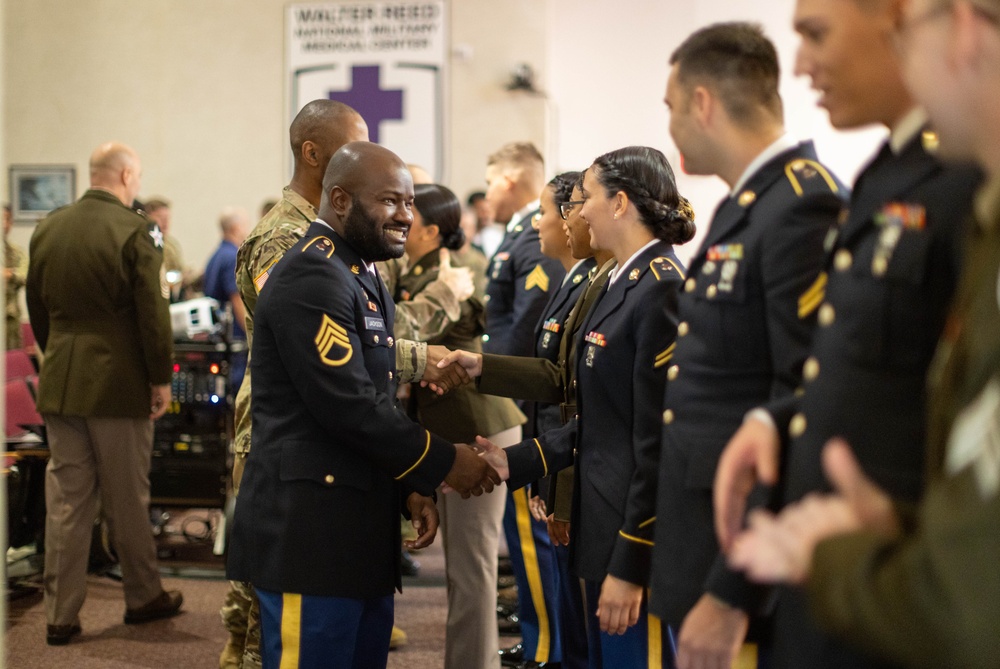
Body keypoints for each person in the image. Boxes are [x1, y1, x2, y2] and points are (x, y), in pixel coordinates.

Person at [723, 2, 1000, 668]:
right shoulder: (892, 171)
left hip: (912, 597)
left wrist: (846, 557)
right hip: (880, 569)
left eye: (817, 33)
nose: (799, 63)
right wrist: (779, 416)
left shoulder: (961, 177)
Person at [226, 141, 501, 669]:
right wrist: (447, 463)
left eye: (410, 202)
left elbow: (374, 391)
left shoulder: (359, 272)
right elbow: (347, 406)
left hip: (352, 531)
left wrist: (408, 488)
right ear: (340, 199)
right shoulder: (313, 275)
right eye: (390, 201)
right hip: (311, 537)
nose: (405, 215)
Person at [647, 22, 847, 669]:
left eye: (673, 107)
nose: (672, 125)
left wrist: (734, 589)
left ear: (703, 102)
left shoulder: (801, 204)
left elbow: (802, 401)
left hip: (743, 565)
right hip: (705, 538)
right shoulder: (747, 207)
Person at [474, 145, 694, 668]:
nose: (579, 211)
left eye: (587, 198)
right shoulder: (619, 281)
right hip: (601, 523)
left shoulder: (660, 288)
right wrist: (515, 461)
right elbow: (598, 418)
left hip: (629, 538)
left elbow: (655, 443)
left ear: (620, 204)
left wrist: (632, 561)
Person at [26, 141, 183, 646]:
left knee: (68, 503)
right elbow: (152, 316)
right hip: (117, 382)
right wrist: (161, 378)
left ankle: (60, 615)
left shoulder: (49, 227)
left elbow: (37, 307)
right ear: (127, 175)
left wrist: (58, 356)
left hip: (61, 380)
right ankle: (142, 597)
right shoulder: (138, 230)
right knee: (127, 498)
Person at [469, 171, 602, 669]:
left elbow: (577, 394)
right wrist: (480, 366)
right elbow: (555, 376)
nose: (543, 223)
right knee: (575, 612)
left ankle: (548, 650)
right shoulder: (579, 281)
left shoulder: (607, 282)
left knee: (591, 622)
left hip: (572, 460)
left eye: (548, 212)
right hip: (555, 452)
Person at [395, 183, 526, 669]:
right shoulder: (415, 270)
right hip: (447, 427)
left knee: (472, 569)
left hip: (479, 428)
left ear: (431, 230)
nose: (400, 220)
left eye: (408, 212)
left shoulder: (462, 270)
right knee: (462, 569)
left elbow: (431, 335)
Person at [483, 141, 566, 669]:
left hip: (517, 400)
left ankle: (543, 644)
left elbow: (525, 323)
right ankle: (541, 635)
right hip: (512, 394)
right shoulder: (520, 234)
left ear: (511, 179)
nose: (487, 191)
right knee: (520, 531)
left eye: (490, 180)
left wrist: (498, 387)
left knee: (529, 531)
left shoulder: (533, 235)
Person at [204, 207, 250, 392]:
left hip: (218, 334)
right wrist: (252, 334)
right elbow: (237, 300)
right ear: (236, 228)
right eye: (245, 226)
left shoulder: (217, 255)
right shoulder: (232, 257)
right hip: (234, 338)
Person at [144, 197, 188, 302]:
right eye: (160, 217)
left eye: (168, 218)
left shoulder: (172, 244)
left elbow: (180, 269)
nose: (165, 222)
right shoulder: (145, 245)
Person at [4, 203, 29, 349]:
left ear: (11, 223)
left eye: (6, 219)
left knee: (12, 365)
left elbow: (26, 277)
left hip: (10, 321)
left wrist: (9, 274)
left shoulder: (16, 252)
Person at [470, 190, 505, 259]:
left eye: (488, 210)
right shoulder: (466, 235)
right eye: (481, 210)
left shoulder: (496, 237)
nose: (486, 215)